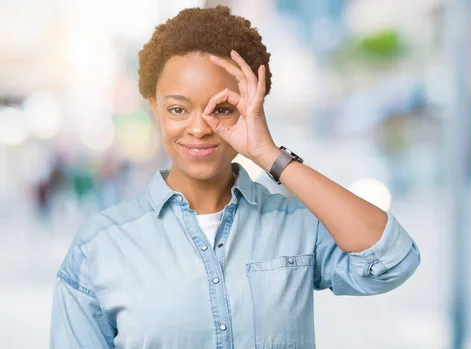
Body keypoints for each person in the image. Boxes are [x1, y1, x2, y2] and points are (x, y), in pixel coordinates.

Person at [50, 6, 420, 349]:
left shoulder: (294, 226)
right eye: (178, 109)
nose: (198, 128)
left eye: (223, 109)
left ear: (251, 108)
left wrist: (271, 155)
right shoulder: (99, 247)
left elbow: (392, 261)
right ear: (155, 109)